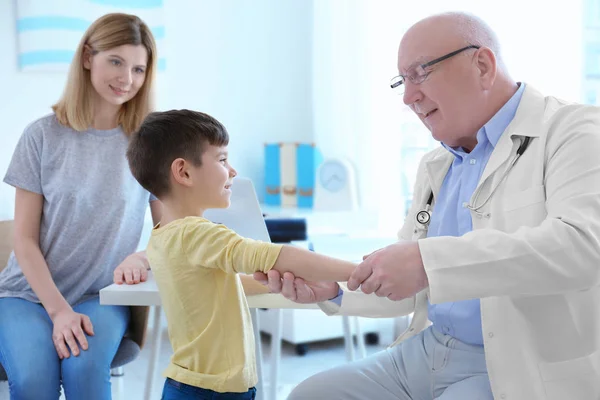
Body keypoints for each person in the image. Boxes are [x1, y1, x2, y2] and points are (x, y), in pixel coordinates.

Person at [255, 11, 600, 400]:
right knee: (312, 394)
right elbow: (412, 284)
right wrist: (333, 289)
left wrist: (426, 260)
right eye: (403, 81)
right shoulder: (435, 166)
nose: (408, 96)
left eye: (420, 73)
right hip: (429, 350)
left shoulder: (574, 131)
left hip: (515, 361)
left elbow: (582, 247)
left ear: (482, 65)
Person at [126, 108, 358, 400]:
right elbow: (275, 254)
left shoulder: (163, 234)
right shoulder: (198, 233)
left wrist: (283, 282)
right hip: (212, 391)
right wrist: (357, 271)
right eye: (222, 159)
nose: (233, 171)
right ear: (184, 172)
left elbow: (217, 286)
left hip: (195, 386)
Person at [0, 13, 160, 400]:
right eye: (116, 62)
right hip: (28, 295)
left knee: (85, 371)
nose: (127, 79)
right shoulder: (41, 136)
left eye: (139, 68)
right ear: (88, 57)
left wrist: (144, 256)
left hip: (101, 295)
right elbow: (23, 239)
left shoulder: (150, 142)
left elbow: (171, 229)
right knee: (35, 380)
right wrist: (58, 311)